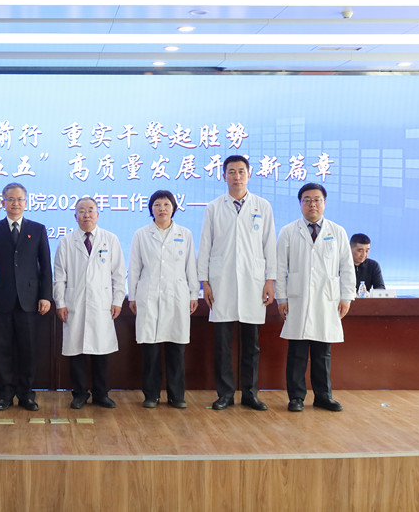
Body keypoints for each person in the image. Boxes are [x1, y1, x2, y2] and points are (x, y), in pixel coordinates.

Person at [197, 155, 276, 411]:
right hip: (222, 283)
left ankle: (251, 394)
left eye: (241, 171)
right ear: (224, 176)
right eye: (231, 172)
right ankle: (225, 394)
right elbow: (205, 245)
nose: (237, 176)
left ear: (249, 175)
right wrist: (205, 282)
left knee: (251, 346)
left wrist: (270, 280)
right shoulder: (214, 207)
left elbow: (269, 245)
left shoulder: (262, 206)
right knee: (222, 345)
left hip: (254, 283)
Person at [276, 183, 355, 412]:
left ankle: (323, 397)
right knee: (297, 353)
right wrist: (282, 298)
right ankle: (296, 398)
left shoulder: (337, 231)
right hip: (297, 299)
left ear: (324, 203)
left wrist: (346, 296)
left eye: (317, 200)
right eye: (307, 200)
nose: (312, 204)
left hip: (326, 300)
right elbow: (280, 268)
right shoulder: (288, 231)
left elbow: (346, 267)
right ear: (300, 204)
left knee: (322, 353)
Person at [0, 182, 53, 411]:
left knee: (28, 351)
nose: (15, 203)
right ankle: (4, 395)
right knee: (2, 351)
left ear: (26, 202)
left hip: (29, 301)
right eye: (10, 199)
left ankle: (26, 395)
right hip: (0, 300)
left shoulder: (38, 229)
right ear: (3, 202)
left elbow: (46, 266)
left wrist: (46, 296)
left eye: (19, 199)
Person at [53, 197, 126, 409]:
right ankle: (79, 394)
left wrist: (118, 300)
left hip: (102, 304)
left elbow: (119, 274)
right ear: (75, 216)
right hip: (74, 304)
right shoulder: (66, 242)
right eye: (82, 211)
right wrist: (60, 302)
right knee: (76, 352)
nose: (86, 215)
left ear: (98, 214)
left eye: (91, 210)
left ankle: (101, 394)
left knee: (100, 352)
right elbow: (59, 276)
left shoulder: (110, 239)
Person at [128, 190, 198, 409]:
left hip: (177, 296)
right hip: (149, 296)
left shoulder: (185, 234)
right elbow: (135, 267)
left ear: (174, 208)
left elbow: (191, 266)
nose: (162, 209)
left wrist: (193, 294)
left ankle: (177, 396)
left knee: (176, 349)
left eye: (166, 204)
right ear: (151, 209)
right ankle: (151, 395)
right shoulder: (141, 234)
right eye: (157, 205)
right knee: (151, 350)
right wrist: (132, 296)